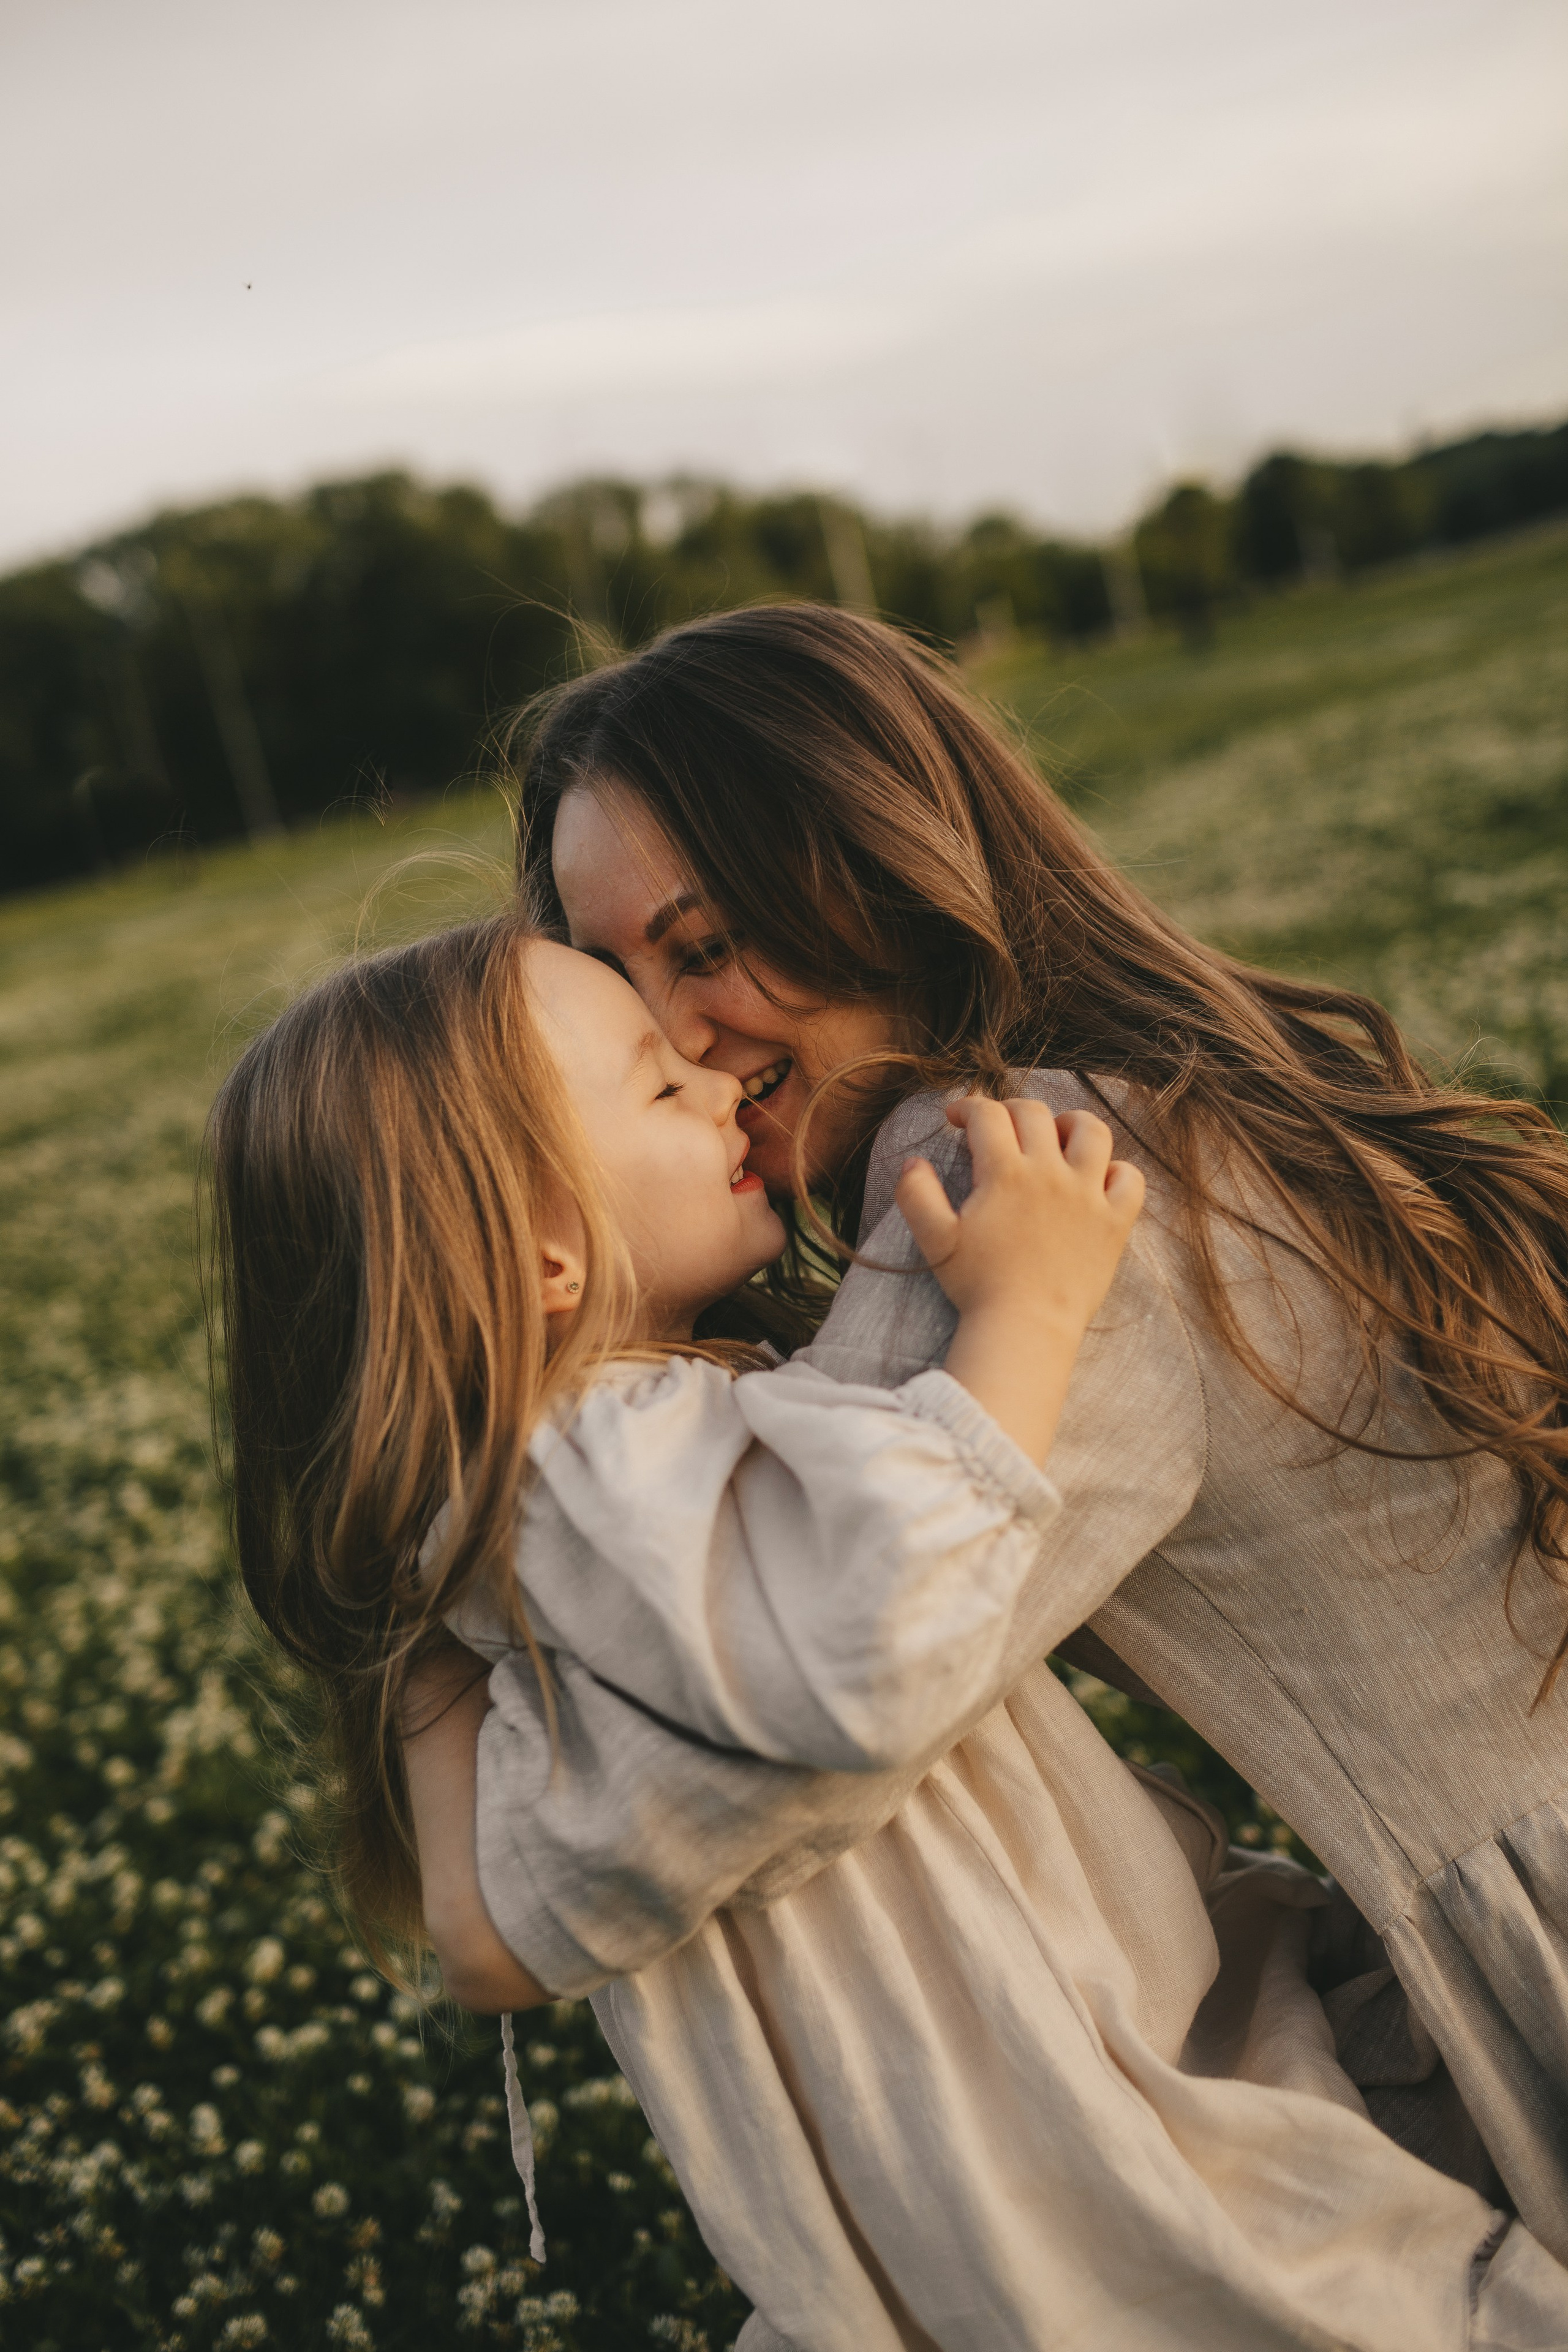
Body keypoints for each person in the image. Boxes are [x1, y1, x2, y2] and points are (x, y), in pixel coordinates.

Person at [206, 910, 1563, 2349]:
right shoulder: (599, 1458)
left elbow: (504, 1919)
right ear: (545, 1254)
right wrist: (1024, 1319)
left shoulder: (577, 1488)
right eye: (661, 1089)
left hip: (996, 2132)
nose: (716, 1080)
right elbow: (867, 1647)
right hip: (1053, 2132)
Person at [491, 600, 1568, 2251]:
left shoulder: (1001, 1180)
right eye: (616, 983)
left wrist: (454, 1805)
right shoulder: (1135, 1083)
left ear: (874, 867)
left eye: (703, 947)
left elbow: (755, 1731)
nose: (678, 1043)